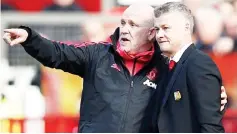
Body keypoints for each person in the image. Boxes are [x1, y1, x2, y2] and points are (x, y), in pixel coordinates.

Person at [2, 4, 227, 133]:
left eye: (133, 25)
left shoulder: (165, 65)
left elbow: (191, 98)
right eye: (123, 23)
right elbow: (57, 53)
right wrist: (30, 38)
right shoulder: (98, 54)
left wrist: (217, 96)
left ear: (151, 33)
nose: (125, 29)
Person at [152, 2, 226, 132]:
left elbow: (211, 126)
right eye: (157, 29)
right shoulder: (166, 65)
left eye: (165, 28)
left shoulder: (200, 63)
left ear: (186, 28)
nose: (159, 35)